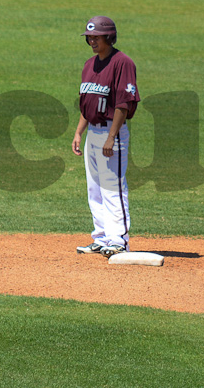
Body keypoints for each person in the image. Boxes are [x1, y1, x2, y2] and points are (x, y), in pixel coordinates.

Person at [72, 16, 140, 257]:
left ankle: (119, 240)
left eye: (97, 37)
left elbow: (123, 103)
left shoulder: (123, 63)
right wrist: (79, 132)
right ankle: (101, 238)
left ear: (109, 37)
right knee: (95, 189)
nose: (92, 41)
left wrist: (112, 137)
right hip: (93, 131)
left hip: (112, 132)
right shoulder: (90, 64)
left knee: (113, 187)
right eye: (89, 37)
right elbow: (87, 103)